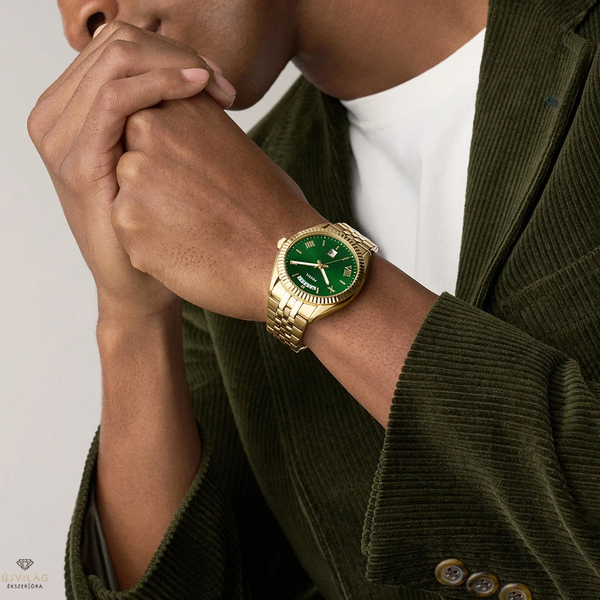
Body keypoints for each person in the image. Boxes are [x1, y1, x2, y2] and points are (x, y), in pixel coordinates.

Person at [26, 0, 600, 597]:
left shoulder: (244, 219)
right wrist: (133, 318)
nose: (77, 20)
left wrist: (290, 254)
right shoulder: (218, 211)